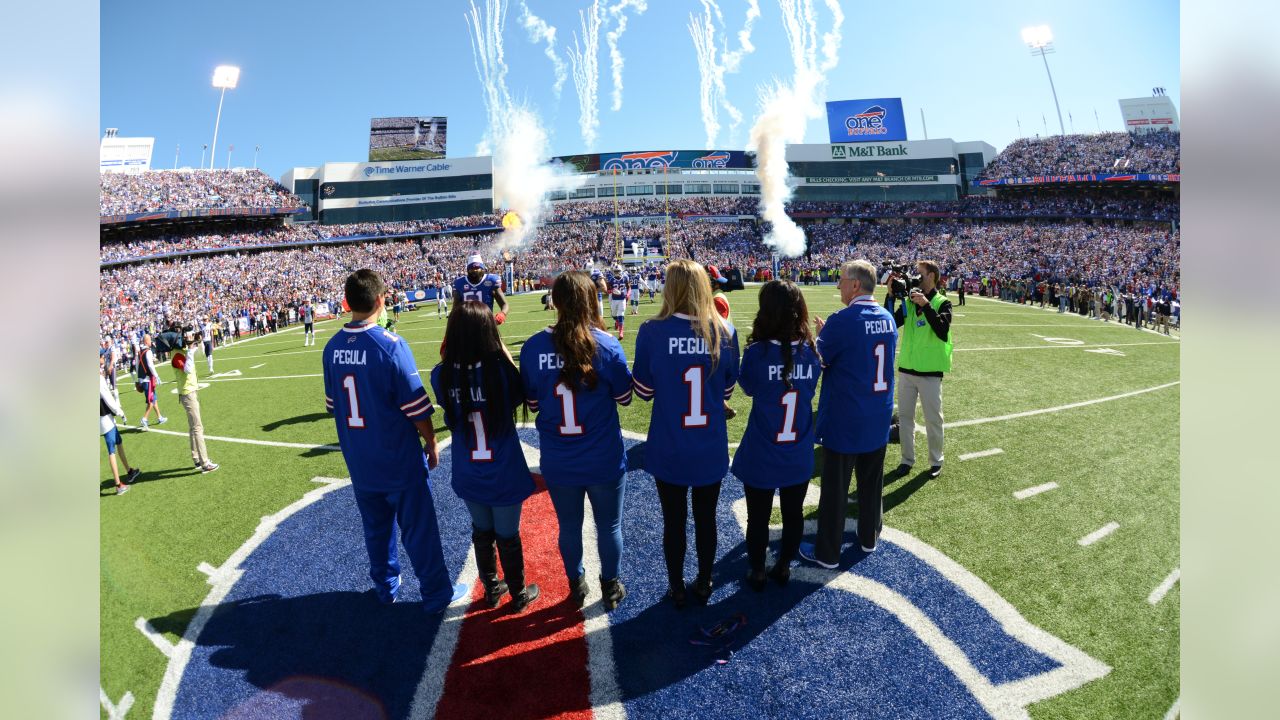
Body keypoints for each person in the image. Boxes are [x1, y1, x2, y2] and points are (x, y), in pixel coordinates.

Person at [323, 269, 467, 612]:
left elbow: (333, 406)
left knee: (376, 529)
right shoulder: (390, 345)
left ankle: (386, 587)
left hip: (359, 460)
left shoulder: (331, 348)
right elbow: (417, 408)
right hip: (397, 458)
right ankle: (436, 593)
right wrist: (431, 441)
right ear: (379, 301)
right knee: (419, 529)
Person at [520, 271, 632, 611]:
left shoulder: (534, 346)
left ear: (555, 302)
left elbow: (534, 402)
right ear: (590, 300)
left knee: (569, 526)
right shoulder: (607, 344)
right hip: (603, 456)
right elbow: (626, 397)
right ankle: (610, 587)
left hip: (559, 457)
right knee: (609, 525)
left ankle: (576, 583)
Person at [632, 259, 740, 607]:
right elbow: (725, 392)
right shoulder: (723, 330)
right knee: (707, 518)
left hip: (669, 444)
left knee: (673, 521)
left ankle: (676, 586)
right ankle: (705, 580)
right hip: (709, 442)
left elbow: (644, 392)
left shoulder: (652, 330)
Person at [432, 301, 541, 612]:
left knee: (481, 530)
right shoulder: (501, 374)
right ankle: (518, 594)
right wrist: (499, 346)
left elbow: (449, 386)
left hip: (468, 468)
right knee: (508, 534)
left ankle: (492, 590)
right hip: (503, 467)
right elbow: (518, 392)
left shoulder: (441, 376)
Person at [798, 260, 898, 567]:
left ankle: (827, 553)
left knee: (835, 490)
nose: (839, 285)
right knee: (871, 485)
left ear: (855, 284)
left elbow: (820, 359)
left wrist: (822, 336)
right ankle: (869, 537)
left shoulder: (844, 320)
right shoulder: (887, 318)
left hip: (847, 417)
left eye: (842, 280)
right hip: (878, 414)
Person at [732, 280, 820, 589]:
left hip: (763, 447)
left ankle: (757, 570)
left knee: (758, 517)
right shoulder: (812, 352)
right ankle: (783, 566)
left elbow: (748, 387)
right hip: (797, 448)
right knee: (794, 514)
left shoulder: (757, 352)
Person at [885, 260, 953, 479]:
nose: (916, 278)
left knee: (933, 419)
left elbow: (942, 331)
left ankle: (936, 461)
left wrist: (926, 305)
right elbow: (890, 322)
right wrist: (890, 296)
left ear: (932, 276)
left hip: (930, 372)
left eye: (920, 274)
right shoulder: (910, 301)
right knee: (905, 418)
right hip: (907, 370)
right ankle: (907, 459)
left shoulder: (943, 302)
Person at [170, 331, 219, 473]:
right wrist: (191, 349)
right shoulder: (176, 354)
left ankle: (196, 458)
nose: (185, 338)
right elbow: (188, 369)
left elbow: (199, 354)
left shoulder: (181, 351)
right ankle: (205, 462)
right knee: (197, 427)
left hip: (190, 390)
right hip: (187, 392)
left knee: (193, 427)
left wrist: (197, 342)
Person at [101, 354, 140, 495]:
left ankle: (129, 471)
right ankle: (118, 484)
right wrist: (119, 411)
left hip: (105, 418)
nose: (102, 358)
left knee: (119, 442)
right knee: (111, 450)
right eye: (100, 356)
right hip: (104, 418)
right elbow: (108, 398)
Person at [454, 255, 510, 324]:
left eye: (477, 267)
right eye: (472, 268)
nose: (474, 270)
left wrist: (502, 314)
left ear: (483, 269)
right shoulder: (459, 283)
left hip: (486, 324)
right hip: (466, 326)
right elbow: (455, 310)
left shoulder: (491, 280)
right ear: (468, 270)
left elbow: (504, 304)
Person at [136, 333, 167, 430]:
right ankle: (144, 419)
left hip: (143, 379)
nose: (151, 342)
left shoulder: (140, 352)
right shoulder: (148, 352)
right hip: (148, 379)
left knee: (154, 399)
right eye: (149, 340)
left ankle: (159, 417)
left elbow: (137, 366)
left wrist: (139, 379)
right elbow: (150, 365)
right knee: (150, 401)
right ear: (146, 341)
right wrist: (157, 376)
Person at [607, 266, 628, 338]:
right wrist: (612, 291)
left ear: (621, 271)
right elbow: (607, 290)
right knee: (613, 315)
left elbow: (629, 287)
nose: (616, 273)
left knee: (621, 314)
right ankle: (616, 321)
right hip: (614, 300)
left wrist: (627, 295)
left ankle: (621, 332)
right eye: (615, 271)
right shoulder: (611, 280)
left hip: (622, 299)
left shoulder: (625, 278)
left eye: (618, 271)